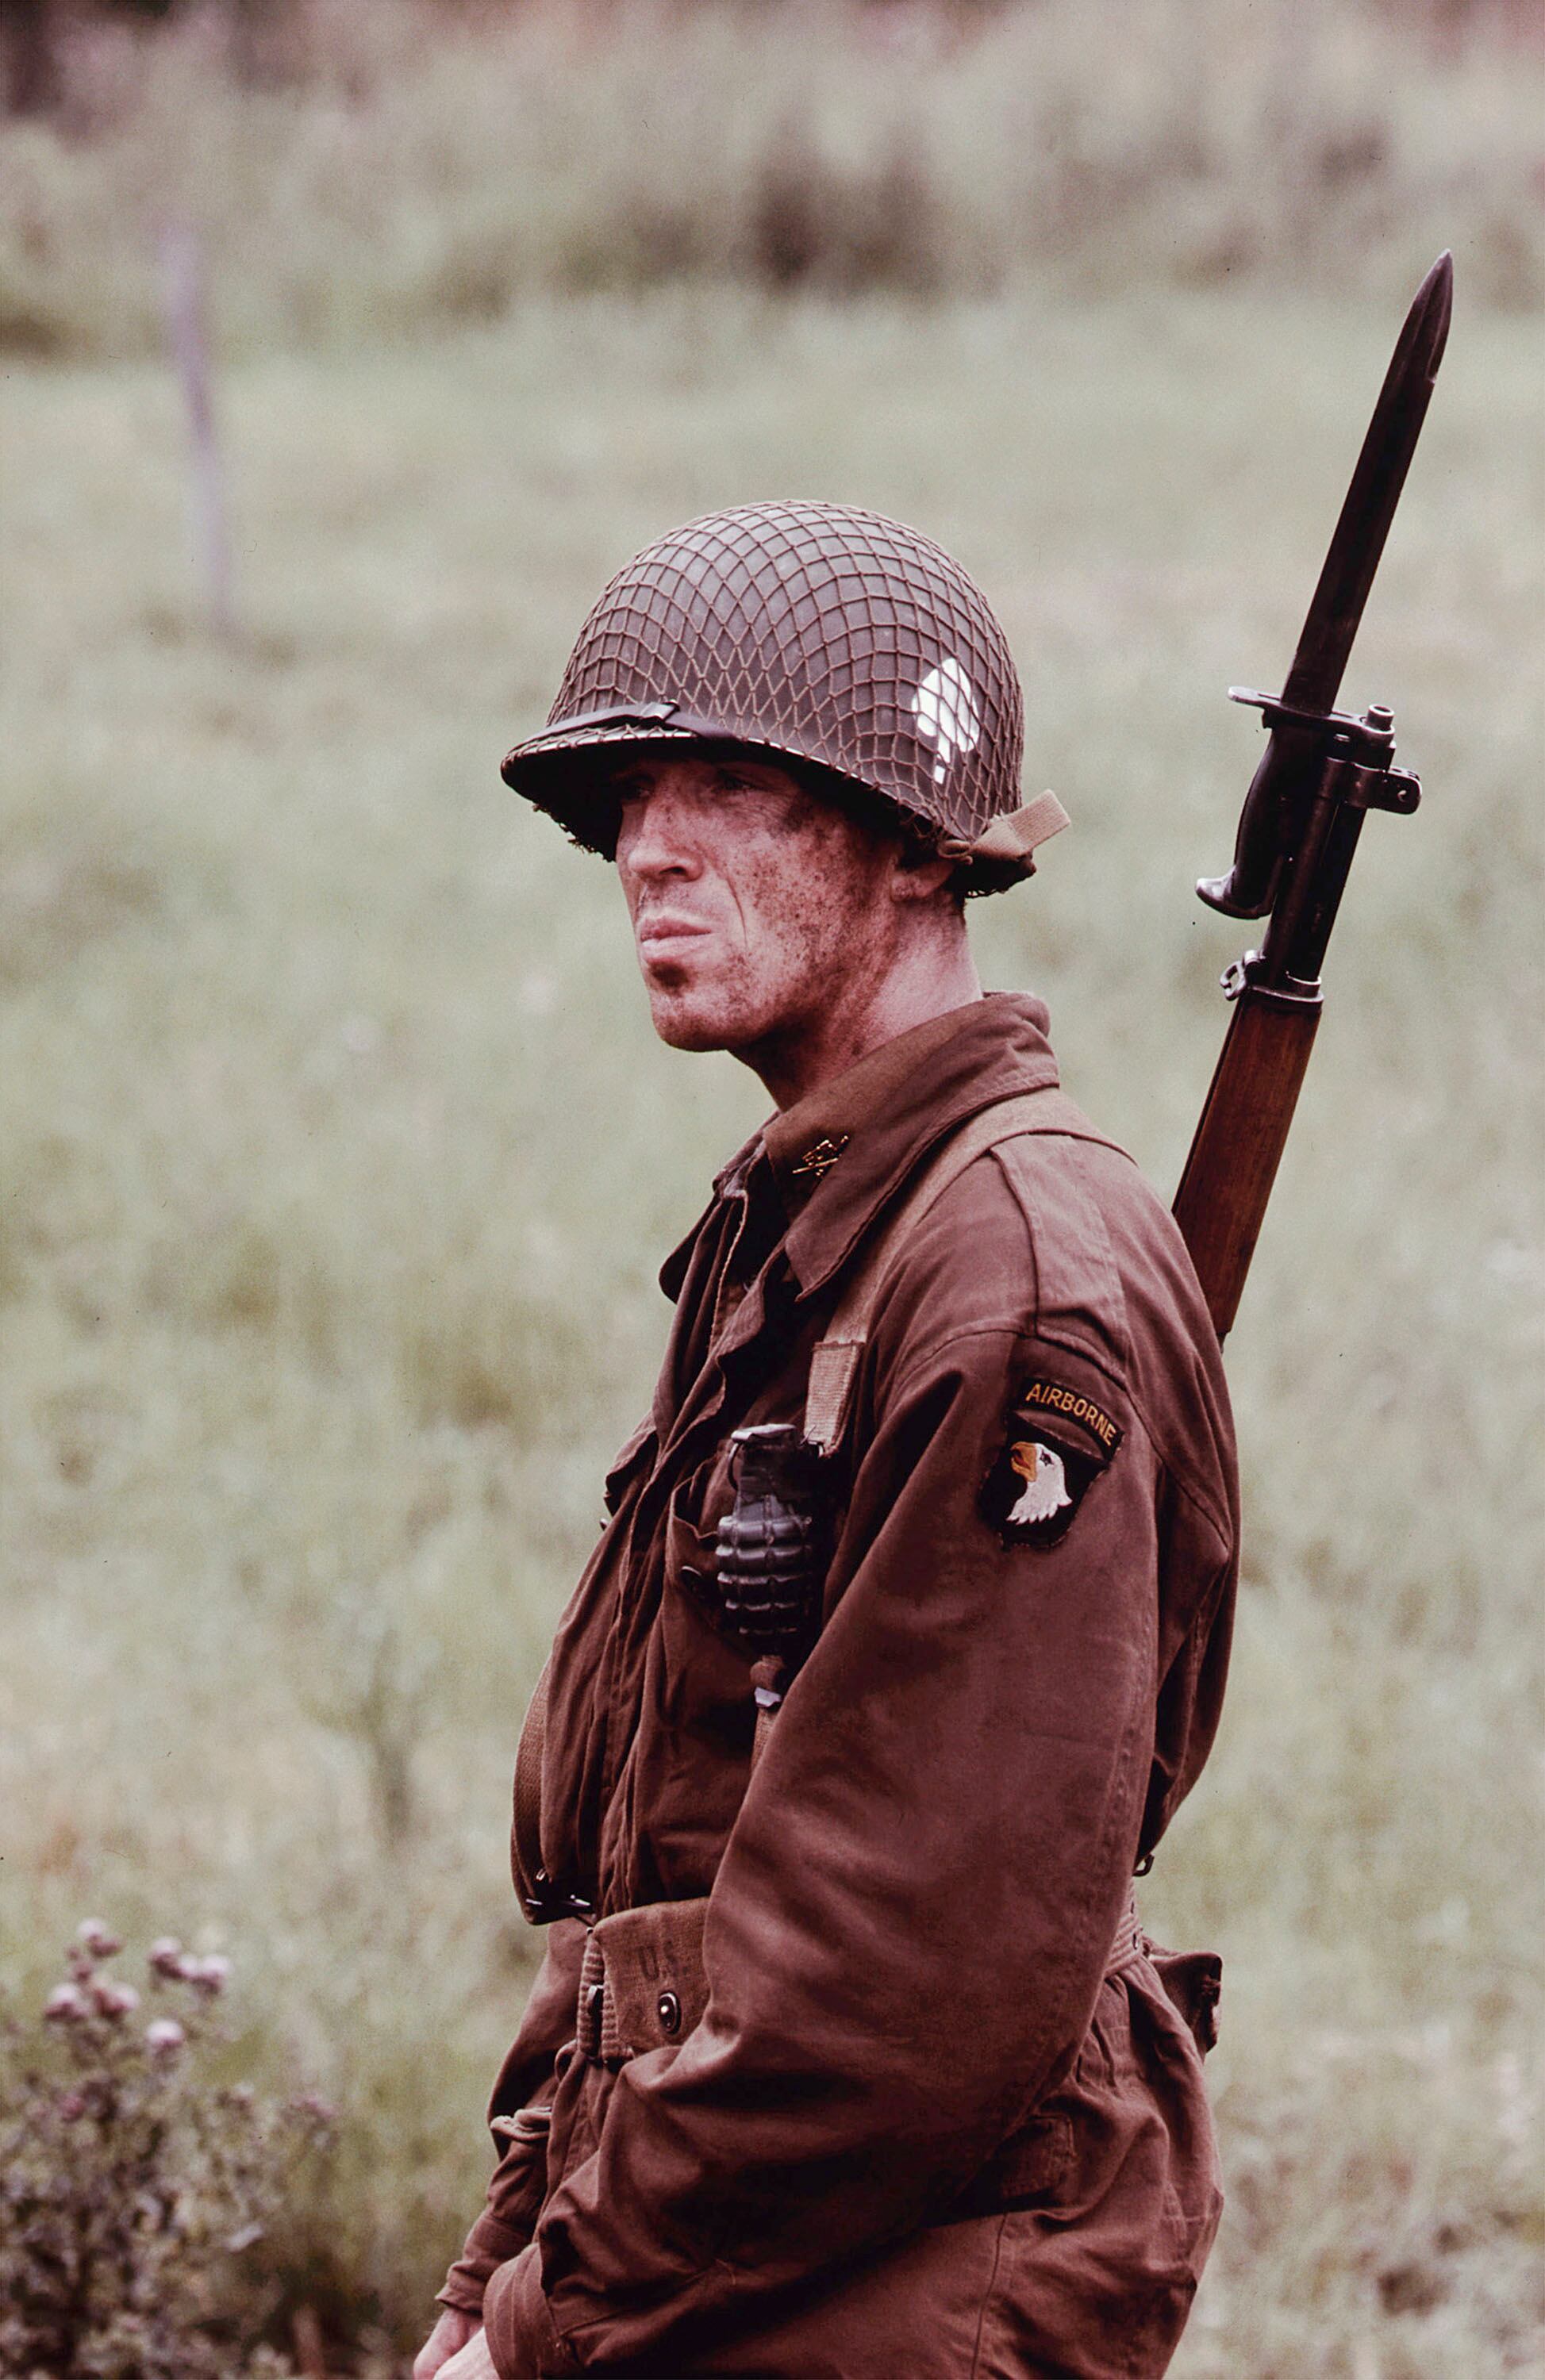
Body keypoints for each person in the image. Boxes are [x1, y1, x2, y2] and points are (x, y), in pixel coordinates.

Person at [415, 502, 1238, 2380]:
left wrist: (551, 2314)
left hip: (901, 2266)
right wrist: (501, 2268)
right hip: (728, 2227)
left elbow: (906, 1973)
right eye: (627, 798)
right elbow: (665, 1852)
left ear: (912, 848)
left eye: (727, 784)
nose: (647, 849)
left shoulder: (1008, 1273)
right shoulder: (814, 1226)